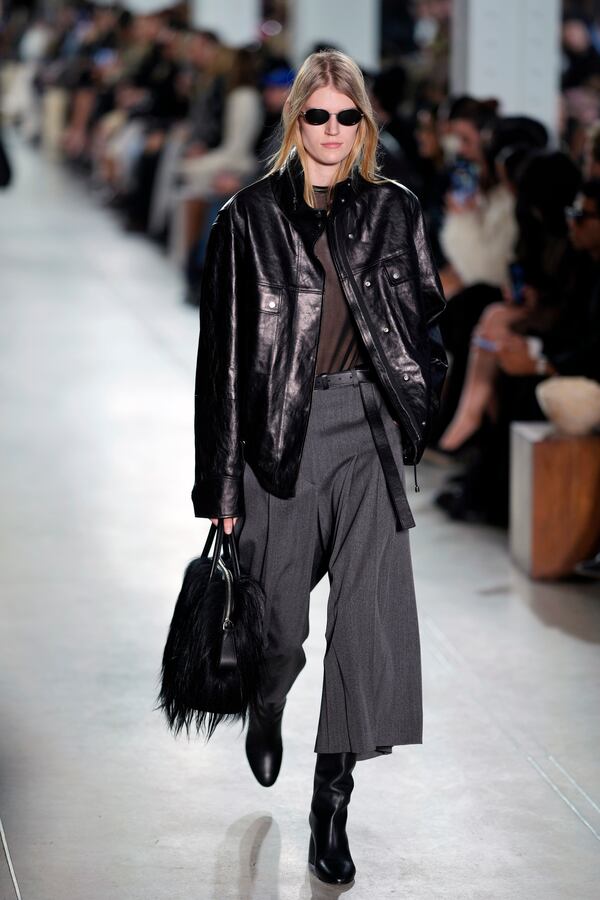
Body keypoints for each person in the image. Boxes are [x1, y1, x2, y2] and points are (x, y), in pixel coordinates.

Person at [192, 49, 447, 886]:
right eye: (317, 116)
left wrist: (416, 408)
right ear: (294, 119)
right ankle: (265, 701)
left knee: (363, 627)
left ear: (363, 125)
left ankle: (330, 804)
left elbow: (425, 322)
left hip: (367, 433)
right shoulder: (246, 220)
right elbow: (222, 365)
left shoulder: (394, 211)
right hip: (278, 438)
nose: (332, 132)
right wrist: (222, 487)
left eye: (347, 117)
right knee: (281, 632)